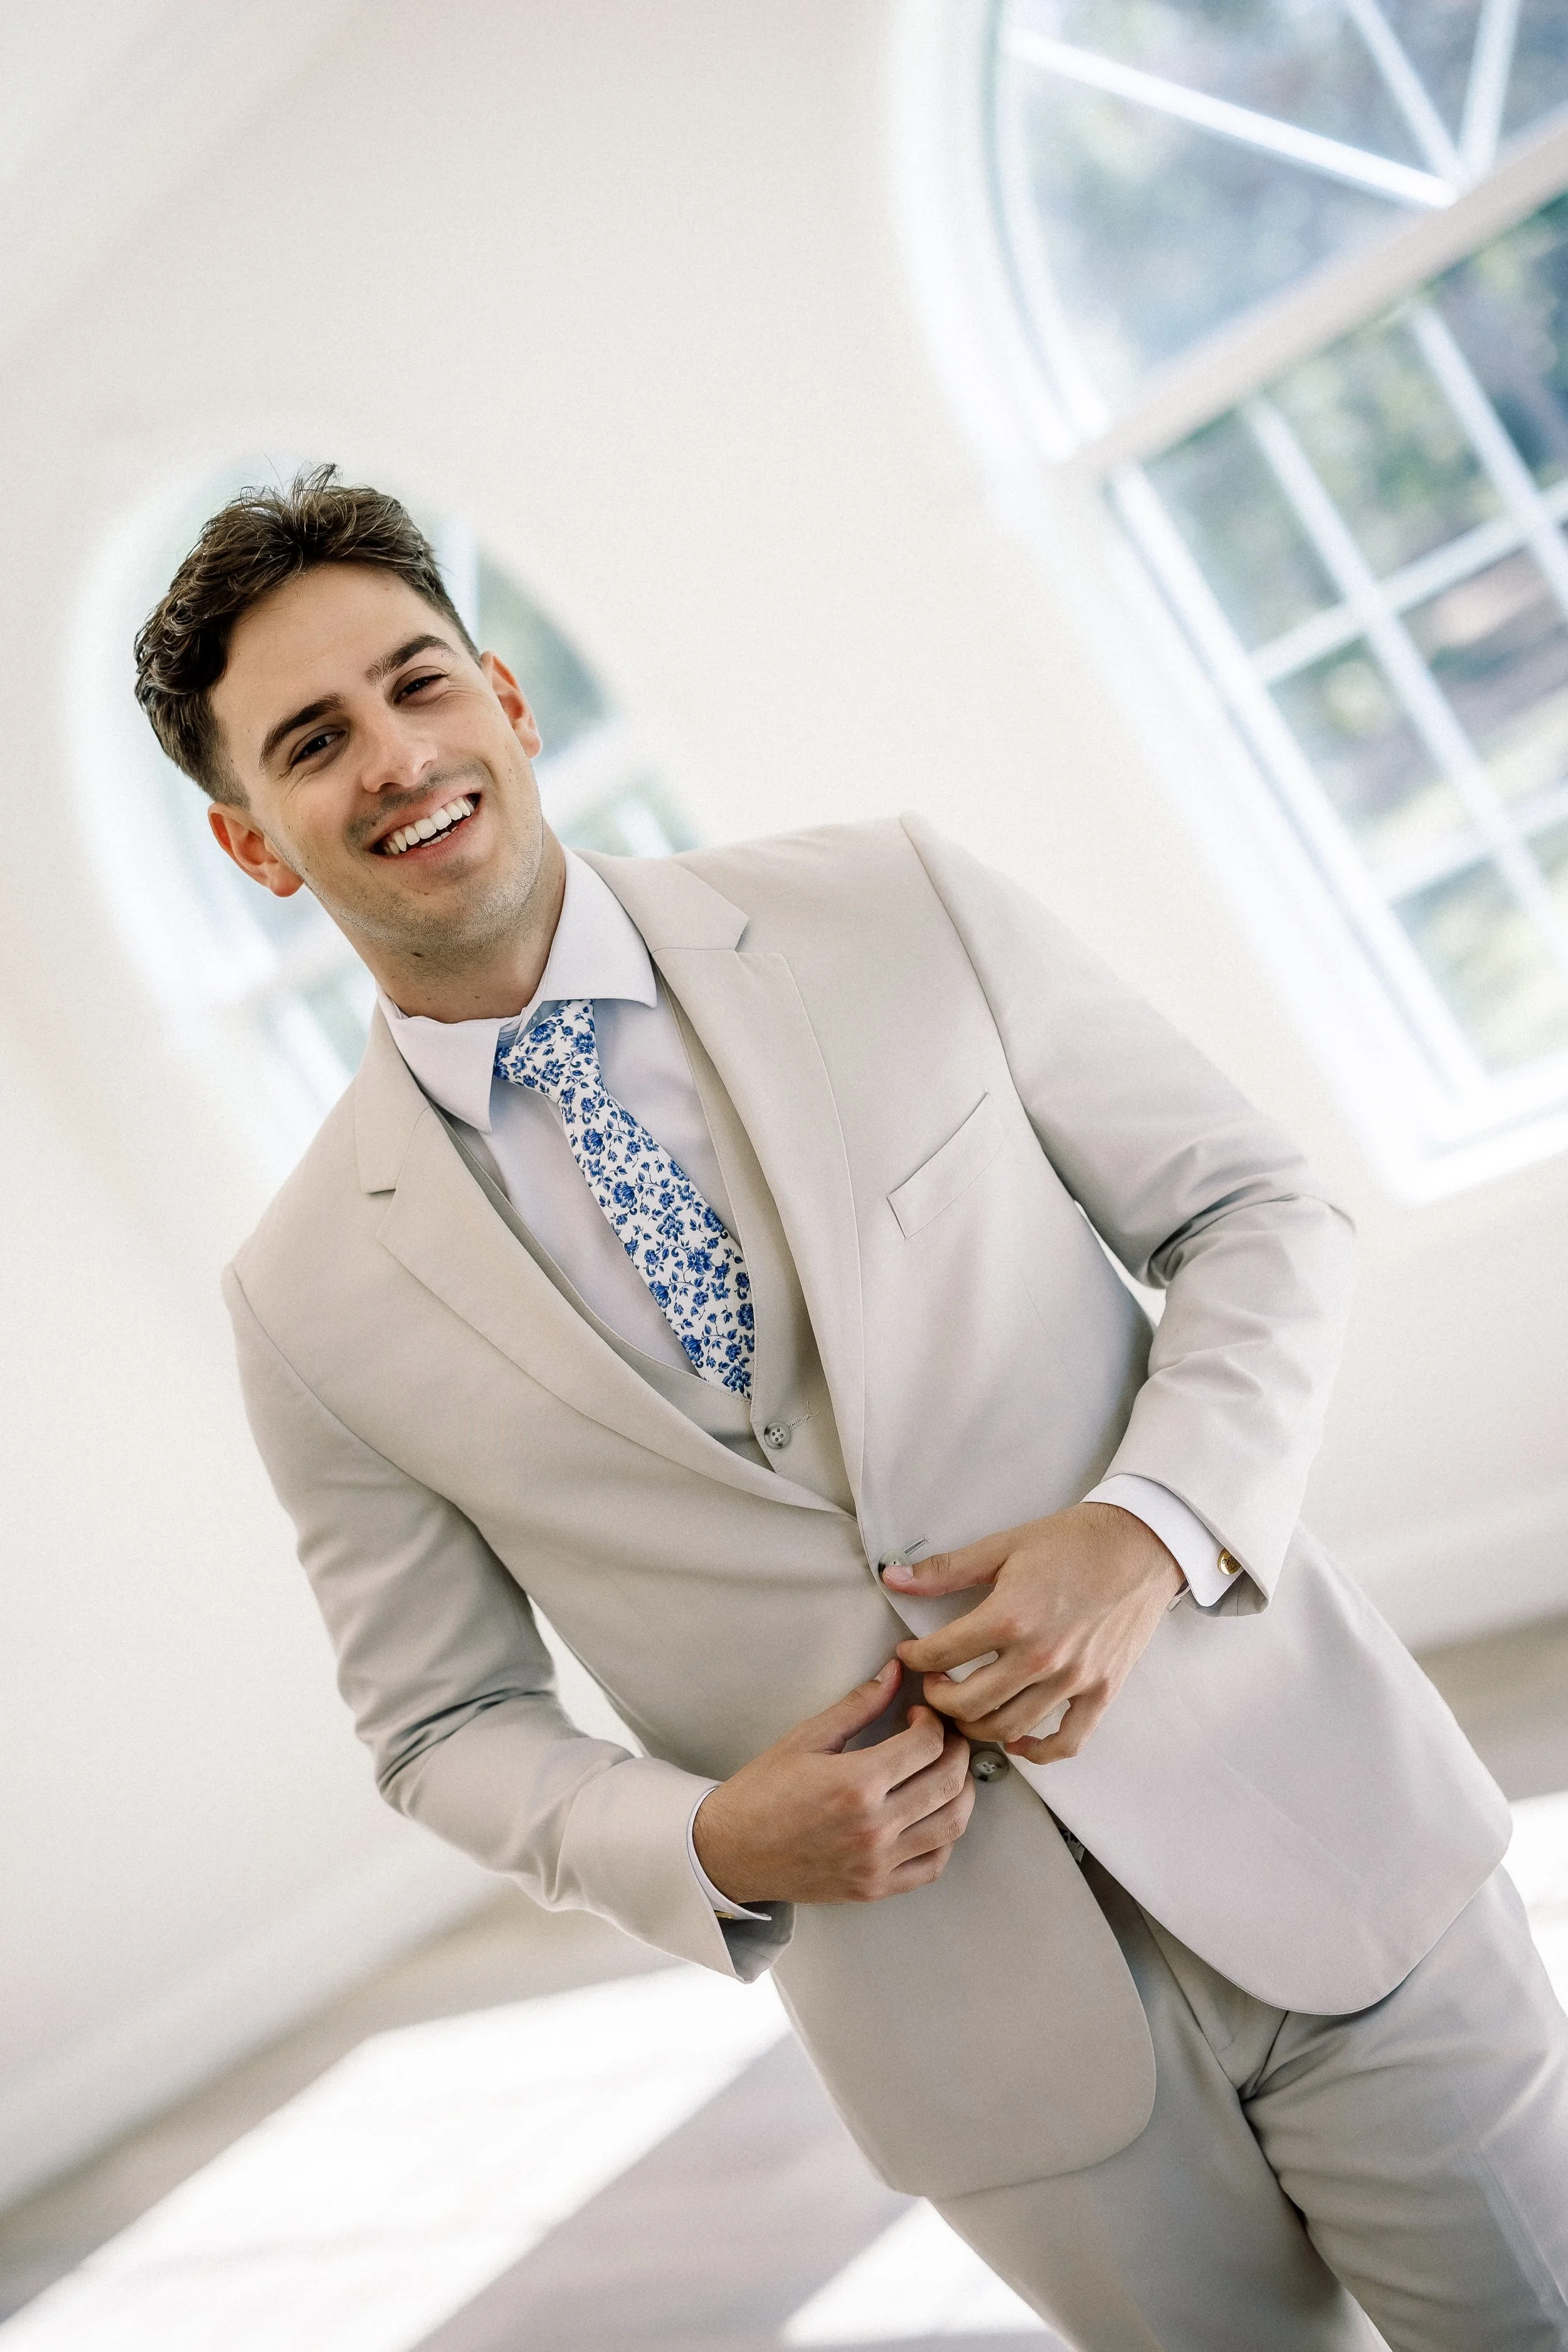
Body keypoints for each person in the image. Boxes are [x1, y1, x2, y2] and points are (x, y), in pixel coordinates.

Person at [134, 469, 1568, 2351]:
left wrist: (1146, 1529)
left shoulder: (889, 900)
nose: (396, 758)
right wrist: (714, 1841)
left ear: (505, 692)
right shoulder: (303, 1296)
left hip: (1315, 1827)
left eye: (417, 685)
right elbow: (436, 1720)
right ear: (256, 844)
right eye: (315, 741)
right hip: (987, 2052)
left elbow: (1252, 1210)